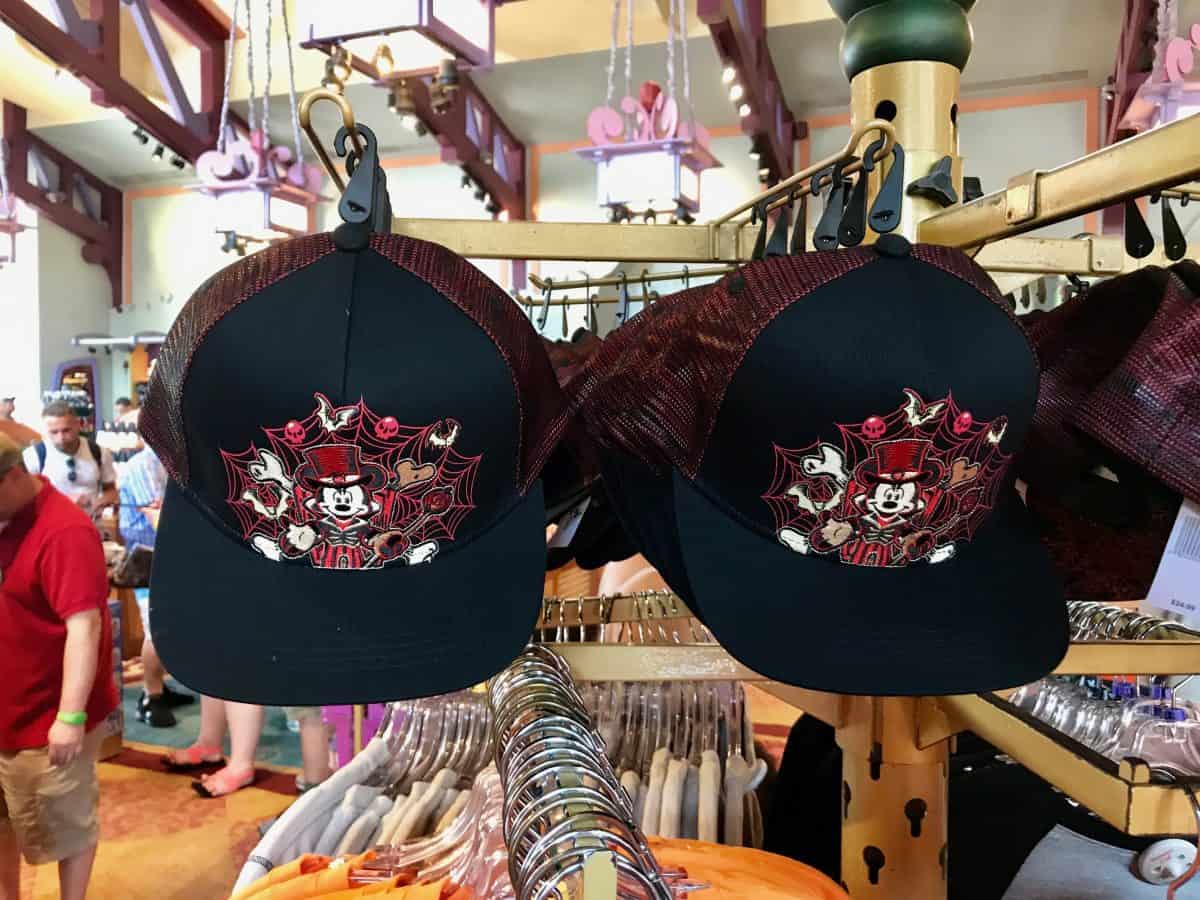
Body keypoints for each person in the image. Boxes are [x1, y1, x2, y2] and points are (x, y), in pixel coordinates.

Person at [0, 433, 118, 900]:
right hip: (8, 702)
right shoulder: (7, 519)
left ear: (12, 477)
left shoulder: (64, 531)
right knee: (5, 818)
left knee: (66, 822)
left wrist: (69, 717)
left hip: (48, 711)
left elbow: (85, 627)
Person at [116, 444, 193, 728]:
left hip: (172, 556)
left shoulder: (174, 460)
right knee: (156, 630)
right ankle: (151, 696)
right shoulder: (143, 466)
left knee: (170, 627)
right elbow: (159, 518)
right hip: (150, 560)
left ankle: (159, 686)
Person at [23, 401, 118, 516]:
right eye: (54, 432)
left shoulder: (99, 452)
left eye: (66, 430)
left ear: (78, 425)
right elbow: (25, 498)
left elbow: (111, 490)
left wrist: (100, 502)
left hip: (89, 520)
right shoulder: (34, 456)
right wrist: (65, 501)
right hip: (51, 521)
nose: (61, 438)